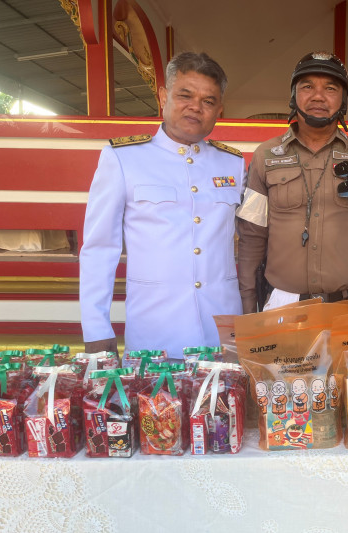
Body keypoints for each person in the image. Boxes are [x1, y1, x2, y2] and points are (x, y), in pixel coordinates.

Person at [79, 52, 245, 359]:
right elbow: (99, 249)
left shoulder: (233, 164)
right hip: (156, 333)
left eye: (208, 101)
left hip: (222, 331)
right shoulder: (123, 158)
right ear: (163, 96)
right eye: (185, 95)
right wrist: (96, 329)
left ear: (219, 110)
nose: (196, 106)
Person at [236, 51, 348, 313]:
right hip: (282, 306)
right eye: (307, 87)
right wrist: (247, 304)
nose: (318, 96)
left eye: (330, 88)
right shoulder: (265, 156)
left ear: (343, 100)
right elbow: (252, 235)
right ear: (294, 96)